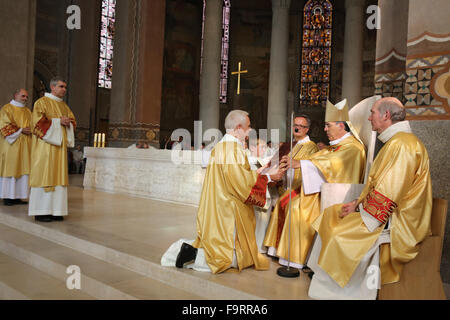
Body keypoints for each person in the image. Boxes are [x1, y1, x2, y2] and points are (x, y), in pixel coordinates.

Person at [307, 97, 432, 300]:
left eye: (372, 112)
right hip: (382, 209)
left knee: (341, 234)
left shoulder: (403, 145)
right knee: (331, 214)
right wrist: (356, 203)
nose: (368, 117)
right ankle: (322, 271)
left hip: (398, 220)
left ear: (386, 115)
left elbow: (390, 191)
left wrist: (361, 213)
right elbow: (380, 184)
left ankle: (339, 290)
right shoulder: (396, 142)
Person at [161, 110, 287, 274]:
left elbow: (238, 176)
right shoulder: (231, 150)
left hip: (220, 202)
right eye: (248, 127)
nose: (249, 131)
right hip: (228, 208)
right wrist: (269, 177)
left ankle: (189, 251)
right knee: (227, 258)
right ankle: (189, 254)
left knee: (232, 251)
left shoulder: (222, 147)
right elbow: (240, 183)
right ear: (239, 127)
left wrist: (262, 174)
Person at [265, 100, 366, 271]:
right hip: (319, 190)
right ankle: (284, 252)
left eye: (328, 125)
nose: (325, 129)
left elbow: (333, 163)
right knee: (288, 203)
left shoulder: (353, 148)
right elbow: (324, 157)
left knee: (297, 210)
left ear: (341, 126)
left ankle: (295, 257)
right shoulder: (337, 145)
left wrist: (300, 164)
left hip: (338, 199)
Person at [263, 114, 319, 265]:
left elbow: (311, 168)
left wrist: (295, 165)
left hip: (301, 188)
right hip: (286, 186)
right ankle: (275, 249)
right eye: (295, 125)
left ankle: (289, 254)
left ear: (307, 129)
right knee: (281, 203)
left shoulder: (311, 147)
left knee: (287, 205)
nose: (297, 128)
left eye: (301, 126)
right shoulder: (291, 145)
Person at [28, 77, 76, 222]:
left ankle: (56, 210)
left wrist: (68, 124)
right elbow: (36, 124)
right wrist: (58, 122)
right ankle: (41, 211)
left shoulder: (64, 106)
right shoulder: (41, 103)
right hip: (45, 149)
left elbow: (73, 121)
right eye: (61, 86)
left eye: (65, 87)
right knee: (44, 176)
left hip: (59, 151)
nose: (64, 89)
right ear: (52, 87)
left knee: (59, 178)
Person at [0, 89, 32, 206]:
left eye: (26, 97)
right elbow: (4, 125)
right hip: (11, 145)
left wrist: (30, 130)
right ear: (15, 95)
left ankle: (18, 196)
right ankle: (8, 197)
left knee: (23, 169)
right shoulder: (7, 108)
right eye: (23, 96)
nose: (25, 99)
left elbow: (33, 124)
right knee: (11, 169)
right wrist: (21, 130)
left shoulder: (28, 111)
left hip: (25, 145)